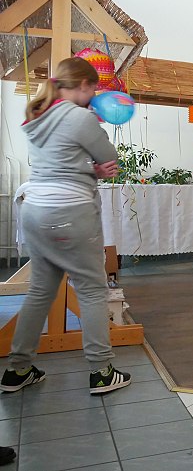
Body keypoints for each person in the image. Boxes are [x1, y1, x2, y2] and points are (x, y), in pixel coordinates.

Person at [1, 57, 131, 396]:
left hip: (34, 210)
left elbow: (60, 162)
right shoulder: (79, 117)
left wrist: (89, 168)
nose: (94, 96)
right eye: (93, 89)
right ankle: (101, 372)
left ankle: (17, 370)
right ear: (84, 86)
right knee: (91, 290)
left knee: (40, 291)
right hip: (69, 211)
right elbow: (109, 156)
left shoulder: (37, 115)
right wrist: (96, 163)